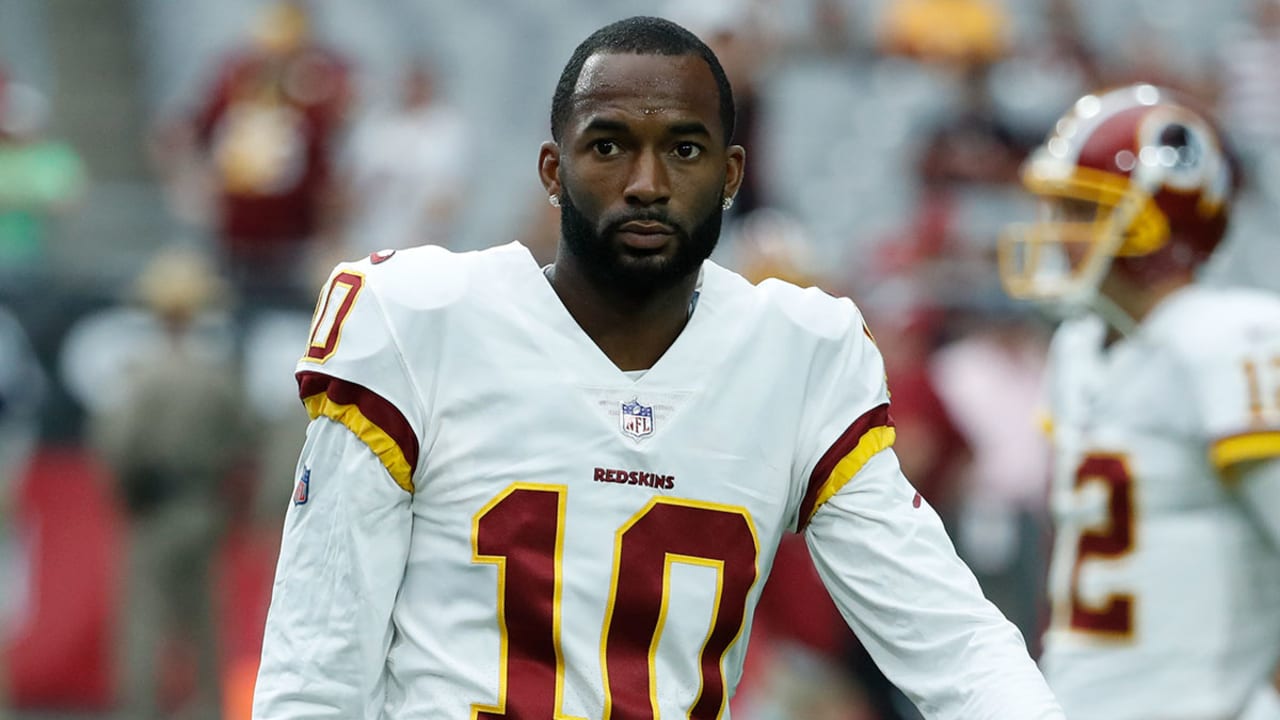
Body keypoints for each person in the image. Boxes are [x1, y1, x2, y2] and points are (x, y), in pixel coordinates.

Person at [252, 16, 1063, 719]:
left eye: (684, 148)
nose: (647, 183)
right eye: (609, 145)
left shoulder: (793, 355)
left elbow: (946, 634)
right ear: (552, 169)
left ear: (733, 175)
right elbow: (318, 663)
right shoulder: (423, 323)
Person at [999, 83, 1280, 719]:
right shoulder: (1078, 349)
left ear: (1161, 222)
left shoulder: (1229, 341)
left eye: (1083, 210)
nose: (1060, 232)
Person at [91, 247, 249, 720]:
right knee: (203, 619)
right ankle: (209, 706)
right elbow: (241, 439)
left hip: (155, 508)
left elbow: (118, 442)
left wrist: (124, 492)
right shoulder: (216, 373)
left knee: (145, 618)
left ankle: (139, 708)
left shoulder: (143, 373)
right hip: (204, 507)